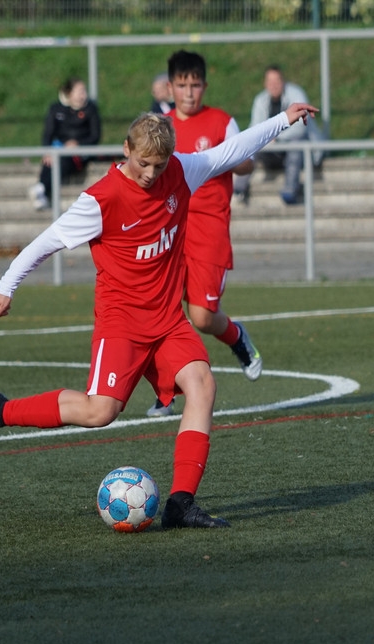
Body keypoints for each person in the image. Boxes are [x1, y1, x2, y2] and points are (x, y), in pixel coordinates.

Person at [0, 103, 319, 531]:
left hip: (168, 320)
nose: (150, 174)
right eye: (143, 163)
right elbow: (46, 242)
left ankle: (180, 504)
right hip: (121, 323)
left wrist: (283, 119)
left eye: (159, 165)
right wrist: (6, 286)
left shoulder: (181, 170)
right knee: (99, 411)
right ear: (126, 149)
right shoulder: (101, 200)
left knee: (202, 384)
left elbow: (231, 151)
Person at [145, 50, 259, 419]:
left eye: (195, 85)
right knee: (160, 312)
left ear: (204, 86)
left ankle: (237, 337)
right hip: (168, 231)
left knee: (204, 317)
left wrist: (233, 157)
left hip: (209, 231)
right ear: (170, 87)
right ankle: (166, 392)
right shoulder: (159, 127)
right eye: (182, 85)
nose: (189, 92)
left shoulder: (221, 122)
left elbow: (246, 163)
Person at [233, 65, 326, 205]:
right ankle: (239, 188)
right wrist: (267, 138)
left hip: (297, 149)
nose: (274, 85)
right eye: (270, 81)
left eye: (277, 80)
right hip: (271, 150)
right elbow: (254, 129)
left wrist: (278, 137)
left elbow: (300, 128)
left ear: (283, 81)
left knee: (296, 144)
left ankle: (291, 190)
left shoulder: (296, 95)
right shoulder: (260, 100)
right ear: (265, 83)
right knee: (251, 146)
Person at [28, 77, 102, 212]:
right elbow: (48, 134)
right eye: (80, 91)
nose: (83, 95)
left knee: (62, 160)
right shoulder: (56, 109)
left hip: (80, 154)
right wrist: (47, 151)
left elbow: (95, 136)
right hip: (59, 150)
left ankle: (41, 188)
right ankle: (42, 189)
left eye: (84, 91)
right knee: (51, 159)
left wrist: (78, 144)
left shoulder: (91, 109)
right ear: (69, 93)